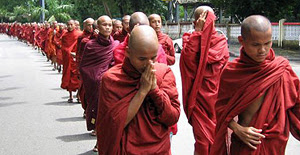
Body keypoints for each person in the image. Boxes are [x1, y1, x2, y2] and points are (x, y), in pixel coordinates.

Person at [210, 15, 300, 155]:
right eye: (256, 45)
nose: (262, 50)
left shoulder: (281, 69)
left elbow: (297, 107)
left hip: (274, 144)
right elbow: (221, 110)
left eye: (267, 43)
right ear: (242, 41)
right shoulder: (232, 72)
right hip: (244, 143)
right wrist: (238, 129)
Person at [96, 25, 180, 155]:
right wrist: (142, 91)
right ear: (128, 52)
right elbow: (112, 125)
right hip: (127, 150)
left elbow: (172, 118)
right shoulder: (112, 79)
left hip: (159, 150)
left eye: (153, 57)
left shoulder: (163, 73)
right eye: (142, 59)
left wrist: (154, 90)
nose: (149, 64)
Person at [179, 6, 229, 155]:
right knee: (202, 141)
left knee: (218, 142)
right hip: (199, 100)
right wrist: (198, 34)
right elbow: (188, 63)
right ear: (195, 22)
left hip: (217, 102)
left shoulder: (220, 41)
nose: (207, 24)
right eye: (203, 20)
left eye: (210, 20)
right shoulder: (190, 39)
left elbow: (226, 73)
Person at [80, 15, 119, 152]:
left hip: (112, 87)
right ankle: (99, 141)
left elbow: (118, 65)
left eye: (109, 25)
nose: (108, 27)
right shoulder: (90, 45)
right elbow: (85, 67)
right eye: (104, 25)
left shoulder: (116, 45)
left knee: (111, 116)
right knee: (98, 113)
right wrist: (97, 79)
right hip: (96, 86)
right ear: (98, 27)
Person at [76, 18, 95, 115]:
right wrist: (78, 68)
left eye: (92, 25)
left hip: (95, 68)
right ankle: (86, 109)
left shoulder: (98, 37)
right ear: (84, 26)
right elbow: (79, 53)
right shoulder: (82, 38)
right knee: (84, 90)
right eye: (88, 25)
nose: (91, 27)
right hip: (85, 67)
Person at [61, 20, 82, 103]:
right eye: (68, 24)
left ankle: (78, 95)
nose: (69, 26)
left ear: (74, 25)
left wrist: (76, 54)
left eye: (71, 25)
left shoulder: (79, 34)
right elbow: (63, 46)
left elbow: (80, 46)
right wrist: (67, 52)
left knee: (78, 77)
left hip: (76, 58)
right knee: (69, 76)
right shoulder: (65, 35)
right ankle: (70, 96)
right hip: (68, 59)